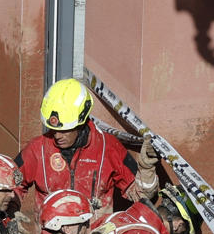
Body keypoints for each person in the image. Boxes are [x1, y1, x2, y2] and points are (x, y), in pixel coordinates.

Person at [17, 78, 135, 213]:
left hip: (96, 233)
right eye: (54, 130)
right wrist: (10, 214)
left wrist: (147, 171)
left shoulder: (108, 148)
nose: (57, 136)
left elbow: (140, 194)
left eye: (64, 130)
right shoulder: (37, 149)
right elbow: (10, 184)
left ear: (81, 123)